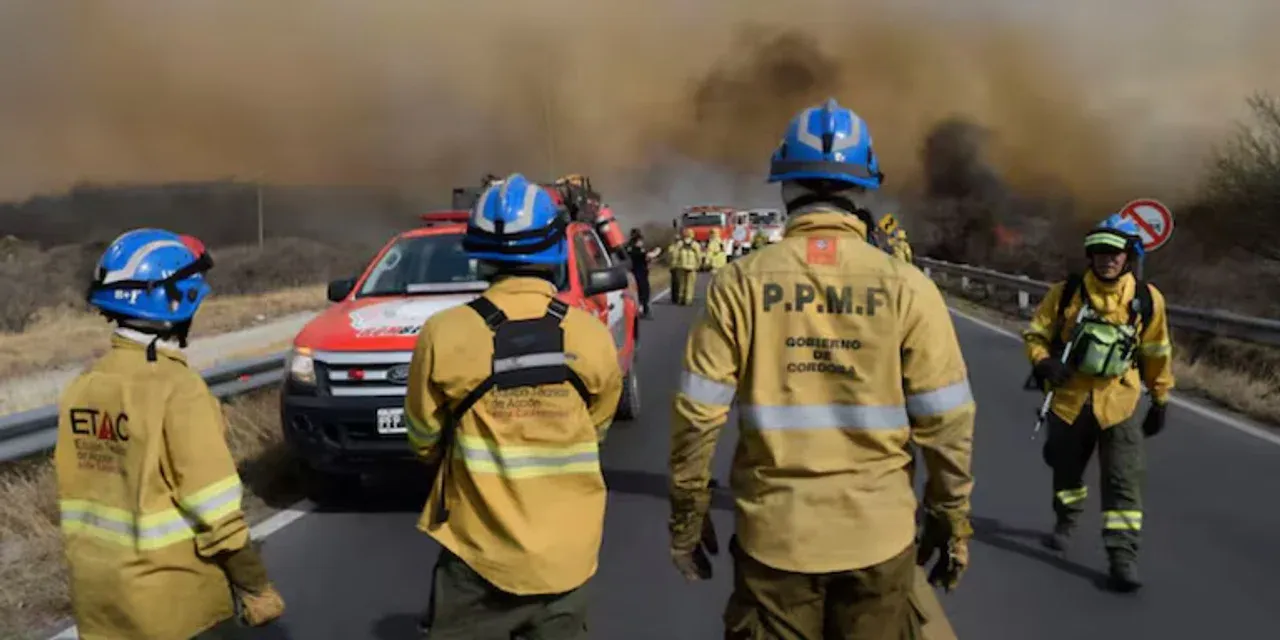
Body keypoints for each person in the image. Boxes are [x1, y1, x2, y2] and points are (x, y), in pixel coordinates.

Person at [668, 98, 975, 639]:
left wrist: (688, 512)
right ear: (863, 190)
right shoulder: (908, 287)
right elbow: (947, 419)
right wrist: (950, 516)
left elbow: (698, 414)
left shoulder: (738, 283)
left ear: (785, 186)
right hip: (879, 539)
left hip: (776, 540)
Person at [406, 173, 624, 639]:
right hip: (567, 558)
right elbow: (597, 429)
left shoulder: (444, 333)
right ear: (554, 249)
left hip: (476, 557)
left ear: (479, 253)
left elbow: (423, 437)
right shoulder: (590, 335)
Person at [56, 229, 285, 640]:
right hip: (178, 609)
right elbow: (215, 511)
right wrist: (255, 586)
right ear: (175, 301)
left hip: (100, 608)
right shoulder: (177, 388)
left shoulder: (83, 386)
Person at [1022, 213, 1174, 593]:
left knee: (1123, 480)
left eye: (1114, 252)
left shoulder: (1146, 300)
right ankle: (1066, 519)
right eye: (1100, 252)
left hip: (1121, 403)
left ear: (1128, 256)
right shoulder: (1066, 294)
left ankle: (1122, 558)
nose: (1107, 259)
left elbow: (1157, 352)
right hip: (1069, 402)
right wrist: (1043, 362)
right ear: (1090, 256)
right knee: (1066, 472)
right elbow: (1036, 334)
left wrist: (1160, 399)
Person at [625, 228, 661, 318]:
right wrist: (657, 251)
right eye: (641, 241)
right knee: (644, 291)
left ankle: (637, 309)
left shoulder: (627, 248)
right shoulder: (638, 250)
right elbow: (649, 255)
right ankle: (644, 310)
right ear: (638, 240)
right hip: (640, 273)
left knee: (635, 292)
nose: (642, 242)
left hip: (631, 273)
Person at [667, 228, 702, 306]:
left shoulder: (679, 244)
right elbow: (699, 256)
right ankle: (688, 299)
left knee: (682, 284)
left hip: (681, 266)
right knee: (690, 284)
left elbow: (675, 255)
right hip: (692, 267)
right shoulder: (695, 244)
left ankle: (681, 297)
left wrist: (674, 264)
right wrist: (698, 265)